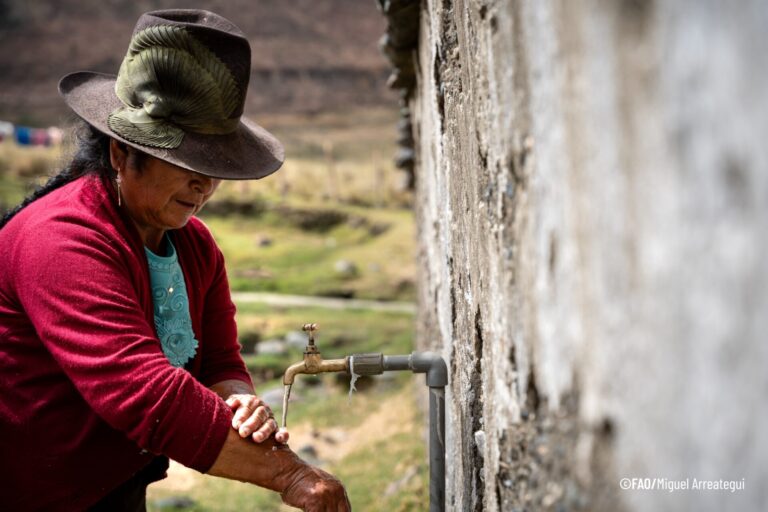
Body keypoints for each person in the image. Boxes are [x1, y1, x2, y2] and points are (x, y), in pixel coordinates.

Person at [0, 9, 350, 511]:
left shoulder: (194, 245)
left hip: (112, 488)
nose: (204, 183)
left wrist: (239, 401)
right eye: (185, 162)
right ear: (121, 154)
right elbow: (142, 392)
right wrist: (292, 476)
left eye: (213, 164)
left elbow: (220, 360)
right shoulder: (61, 240)